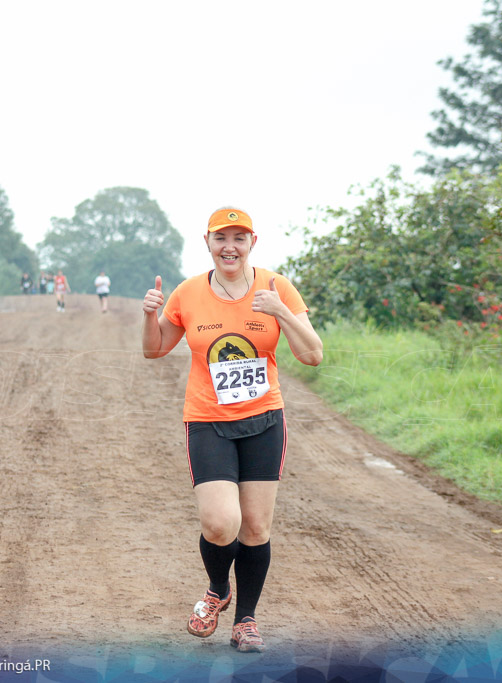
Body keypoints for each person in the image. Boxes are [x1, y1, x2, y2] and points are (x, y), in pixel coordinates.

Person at [141, 207, 323, 653]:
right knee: (222, 524)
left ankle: (246, 620)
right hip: (208, 421)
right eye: (222, 238)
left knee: (256, 527)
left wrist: (281, 310)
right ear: (207, 242)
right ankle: (218, 588)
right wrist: (151, 315)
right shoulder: (188, 293)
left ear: (252, 243)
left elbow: (313, 354)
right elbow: (155, 349)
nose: (230, 247)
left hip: (264, 421)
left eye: (239, 238)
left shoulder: (277, 287)